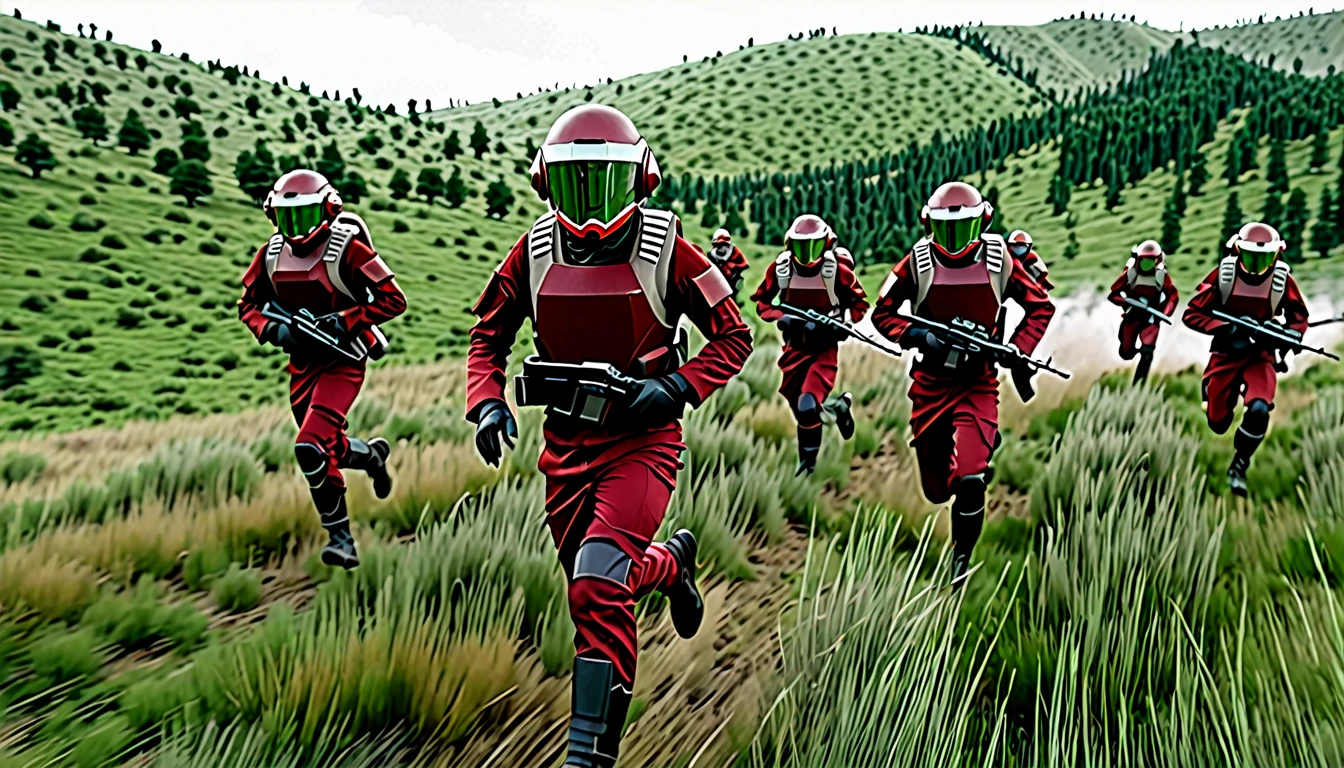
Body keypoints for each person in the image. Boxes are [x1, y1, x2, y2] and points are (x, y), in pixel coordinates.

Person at [465, 104, 752, 768]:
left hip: (642, 443)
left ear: (640, 178)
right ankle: (673, 564)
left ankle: (589, 755)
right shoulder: (532, 252)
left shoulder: (670, 250)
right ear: (547, 183)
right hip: (564, 448)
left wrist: (676, 388)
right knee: (594, 583)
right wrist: (486, 404)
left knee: (595, 584)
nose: (591, 202)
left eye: (607, 181)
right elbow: (489, 335)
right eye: (576, 183)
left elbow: (734, 337)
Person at [871, 182, 1055, 584]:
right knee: (937, 491)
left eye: (963, 228)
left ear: (982, 222)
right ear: (929, 225)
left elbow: (1041, 306)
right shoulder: (915, 263)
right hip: (930, 382)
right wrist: (919, 336)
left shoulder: (999, 260)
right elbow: (882, 314)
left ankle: (960, 560)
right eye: (944, 229)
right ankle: (980, 446)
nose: (954, 241)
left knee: (970, 479)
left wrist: (1016, 347)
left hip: (978, 381)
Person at [237, 170, 406, 569]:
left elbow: (393, 300)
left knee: (310, 447)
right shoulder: (271, 255)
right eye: (286, 217)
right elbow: (248, 306)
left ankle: (341, 538)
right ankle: (371, 457)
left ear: (328, 210)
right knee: (326, 446)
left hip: (343, 361)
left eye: (305, 216)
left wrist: (347, 321)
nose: (295, 230)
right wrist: (276, 330)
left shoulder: (347, 249)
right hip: (302, 365)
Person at [1182, 222, 1308, 497]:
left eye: (1264, 257)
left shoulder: (1282, 281)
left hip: (1260, 357)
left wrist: (1289, 335)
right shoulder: (1224, 275)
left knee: (1260, 410)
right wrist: (1226, 328)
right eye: (1251, 256)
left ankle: (1239, 466)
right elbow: (1192, 314)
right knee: (1218, 423)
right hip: (1226, 354)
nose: (1257, 264)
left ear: (1276, 256)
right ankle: (1211, 391)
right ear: (1238, 250)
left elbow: (1299, 319)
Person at [751, 214, 868, 475]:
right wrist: (784, 317)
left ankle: (808, 466)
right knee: (802, 409)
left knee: (806, 406)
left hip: (822, 351)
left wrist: (836, 324)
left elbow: (859, 305)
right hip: (793, 351)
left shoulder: (836, 271)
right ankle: (839, 408)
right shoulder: (781, 269)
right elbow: (762, 303)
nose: (806, 255)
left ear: (826, 243)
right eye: (800, 247)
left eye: (813, 246)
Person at [1107, 240, 1179, 383]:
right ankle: (1130, 351)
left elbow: (1173, 296)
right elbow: (1113, 294)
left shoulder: (1161, 276)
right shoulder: (1131, 273)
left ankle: (1138, 387)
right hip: (1132, 317)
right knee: (1126, 353)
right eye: (1144, 259)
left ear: (1157, 260)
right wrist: (1125, 302)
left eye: (1151, 260)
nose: (1147, 263)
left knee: (1148, 352)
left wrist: (1165, 312)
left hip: (1152, 319)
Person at [707, 228, 749, 297]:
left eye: (725, 244)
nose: (723, 247)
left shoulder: (735, 251)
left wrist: (734, 266)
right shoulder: (711, 254)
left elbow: (745, 264)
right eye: (720, 245)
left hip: (732, 281)